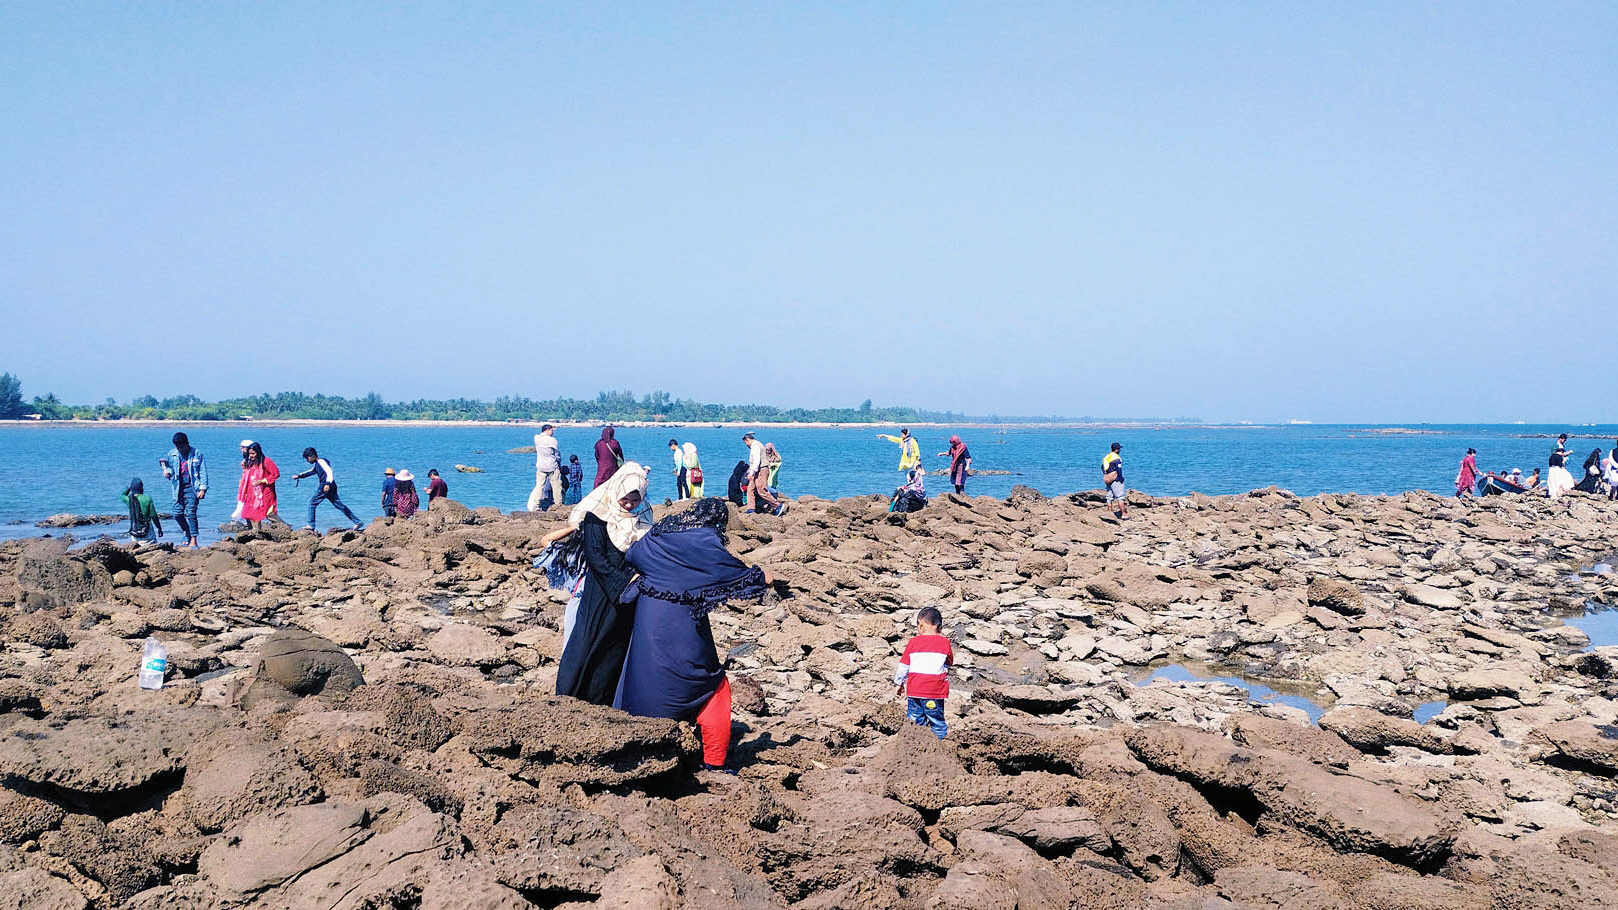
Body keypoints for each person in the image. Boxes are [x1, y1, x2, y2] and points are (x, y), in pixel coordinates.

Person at [615, 498, 771, 772]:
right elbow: (730, 573)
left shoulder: (661, 534)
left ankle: (639, 741)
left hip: (649, 616)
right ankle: (714, 762)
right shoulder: (704, 540)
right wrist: (763, 576)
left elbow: (633, 555)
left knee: (644, 673)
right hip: (681, 624)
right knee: (712, 687)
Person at [547, 463, 652, 705]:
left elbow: (647, 551)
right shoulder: (598, 514)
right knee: (586, 644)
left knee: (614, 650)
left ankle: (601, 702)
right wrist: (623, 583)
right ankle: (568, 698)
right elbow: (595, 556)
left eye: (635, 500)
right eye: (626, 499)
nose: (629, 504)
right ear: (617, 491)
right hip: (601, 590)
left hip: (628, 597)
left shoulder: (644, 516)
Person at [894, 606, 953, 740]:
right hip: (935, 692)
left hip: (915, 690)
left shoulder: (913, 642)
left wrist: (899, 683)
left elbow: (904, 666)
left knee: (914, 720)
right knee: (937, 721)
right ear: (940, 627)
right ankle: (940, 746)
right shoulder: (945, 643)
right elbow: (949, 661)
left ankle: (914, 744)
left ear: (920, 625)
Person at [292, 447, 365, 531]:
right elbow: (311, 471)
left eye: (307, 458)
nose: (307, 461)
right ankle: (357, 521)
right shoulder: (318, 464)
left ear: (312, 456)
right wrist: (299, 476)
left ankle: (311, 525)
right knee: (340, 506)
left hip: (326, 486)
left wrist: (327, 484)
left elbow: (329, 471)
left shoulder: (321, 462)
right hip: (331, 485)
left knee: (312, 503)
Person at [159, 432, 208, 548]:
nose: (180, 449)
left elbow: (203, 472)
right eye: (178, 447)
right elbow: (169, 467)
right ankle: (187, 532)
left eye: (182, 446)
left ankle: (194, 540)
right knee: (177, 514)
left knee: (191, 513)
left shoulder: (197, 454)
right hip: (178, 488)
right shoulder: (172, 454)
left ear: (187, 444)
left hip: (192, 487)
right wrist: (167, 472)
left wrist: (203, 489)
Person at [742, 433, 787, 515]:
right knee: (750, 489)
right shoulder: (757, 445)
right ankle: (751, 509)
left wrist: (751, 472)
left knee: (761, 490)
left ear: (747, 440)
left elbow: (757, 460)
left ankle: (777, 505)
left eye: (746, 443)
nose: (746, 445)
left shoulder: (755, 446)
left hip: (761, 470)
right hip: (758, 470)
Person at [239, 443, 279, 531]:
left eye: (253, 454)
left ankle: (284, 528)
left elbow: (275, 474)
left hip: (266, 491)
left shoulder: (266, 461)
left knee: (268, 513)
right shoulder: (250, 462)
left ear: (258, 452)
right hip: (253, 492)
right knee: (251, 512)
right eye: (250, 454)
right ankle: (256, 531)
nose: (251, 456)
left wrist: (262, 481)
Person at [528, 425, 563, 511]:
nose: (553, 432)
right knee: (556, 486)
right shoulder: (552, 440)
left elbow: (537, 435)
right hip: (552, 465)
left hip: (540, 466)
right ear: (547, 430)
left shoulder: (537, 439)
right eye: (551, 430)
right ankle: (558, 503)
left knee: (539, 486)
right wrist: (559, 462)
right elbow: (557, 454)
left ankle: (536, 504)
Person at [121, 478, 163, 544]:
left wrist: (129, 489)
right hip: (148, 534)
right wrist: (159, 528)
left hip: (134, 534)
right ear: (141, 488)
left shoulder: (129, 500)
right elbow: (153, 515)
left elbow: (122, 495)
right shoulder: (147, 499)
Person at [1102, 442, 1128, 520]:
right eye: (1119, 448)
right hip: (1115, 479)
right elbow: (1119, 469)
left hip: (1108, 478)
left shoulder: (1107, 457)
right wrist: (1121, 478)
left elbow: (1102, 467)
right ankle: (1123, 514)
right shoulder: (1116, 458)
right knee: (1120, 497)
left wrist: (1106, 474)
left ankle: (1110, 513)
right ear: (1117, 449)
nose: (1120, 450)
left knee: (1109, 497)